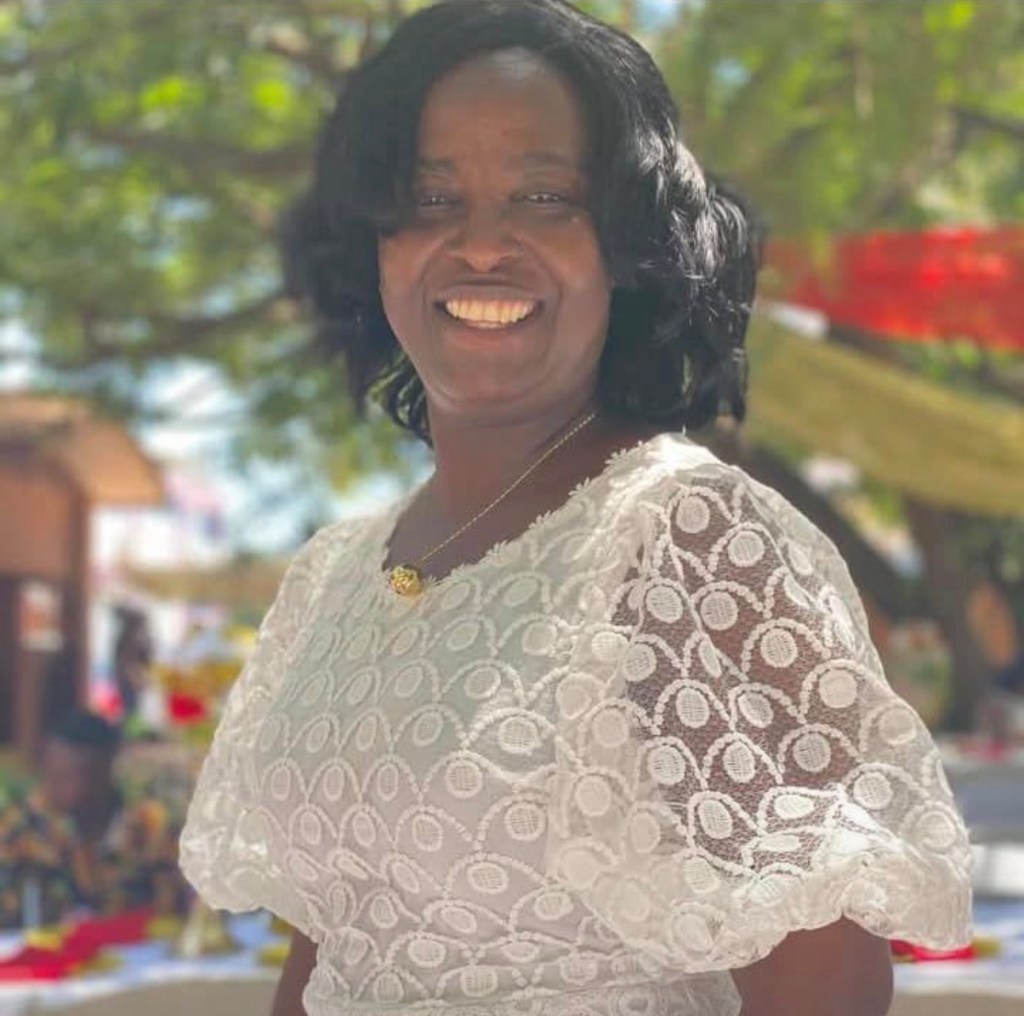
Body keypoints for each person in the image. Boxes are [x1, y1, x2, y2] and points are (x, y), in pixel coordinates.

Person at [180, 3, 972, 1014]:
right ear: (373, 242)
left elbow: (824, 982)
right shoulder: (332, 574)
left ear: (626, 245)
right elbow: (333, 947)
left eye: (545, 197)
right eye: (431, 197)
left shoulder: (687, 540)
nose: (481, 246)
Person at [0, 710, 187, 928]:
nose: (72, 788)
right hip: (38, 946)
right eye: (59, 775)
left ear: (107, 766)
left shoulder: (149, 826)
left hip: (135, 944)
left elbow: (173, 911)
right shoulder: (18, 829)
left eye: (83, 774)